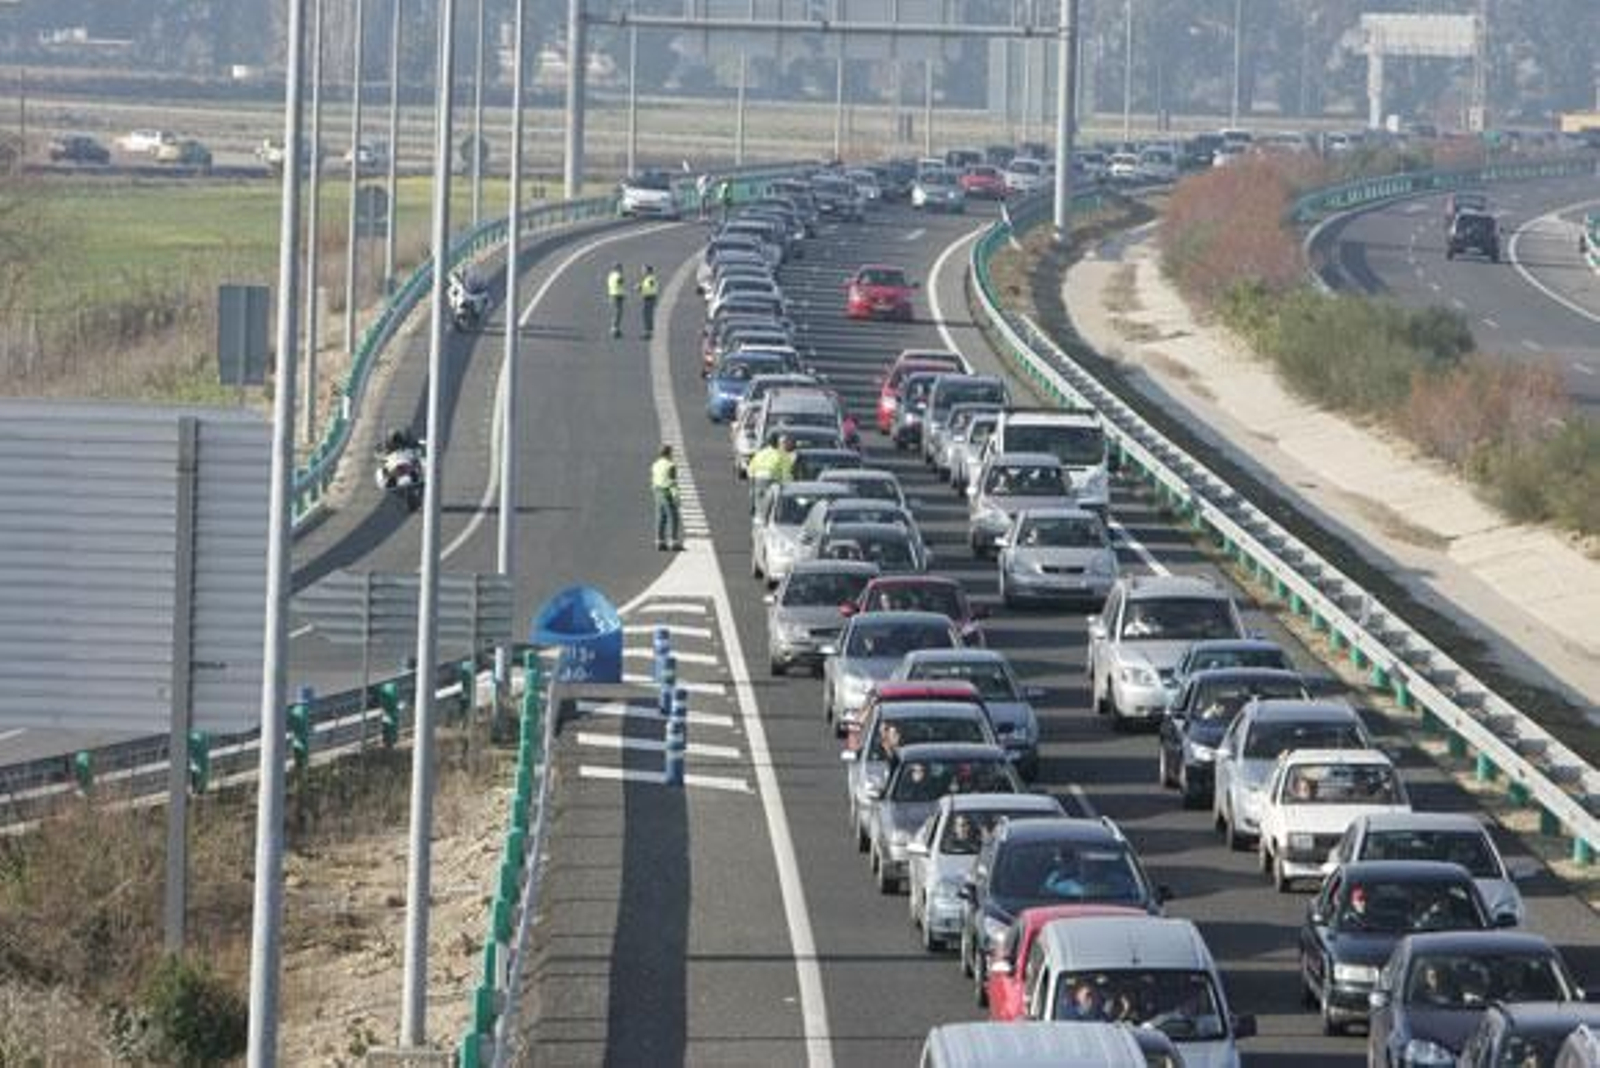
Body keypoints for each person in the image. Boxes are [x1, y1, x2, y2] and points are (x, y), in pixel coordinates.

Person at [651, 444, 683, 551]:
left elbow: (654, 478)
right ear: (669, 453)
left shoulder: (655, 464)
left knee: (661, 517)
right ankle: (673, 542)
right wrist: (676, 496)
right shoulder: (671, 465)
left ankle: (660, 541)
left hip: (657, 491)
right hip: (667, 492)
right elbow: (672, 482)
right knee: (673, 517)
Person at [638, 265, 660, 339]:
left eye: (644, 270)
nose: (642, 272)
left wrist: (640, 288)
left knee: (647, 315)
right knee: (647, 315)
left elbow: (650, 288)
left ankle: (648, 333)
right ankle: (648, 332)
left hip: (649, 298)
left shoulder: (650, 279)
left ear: (648, 271)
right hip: (648, 298)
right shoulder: (648, 279)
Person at [606, 263, 627, 339]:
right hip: (617, 296)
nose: (622, 269)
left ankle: (615, 328)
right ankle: (615, 329)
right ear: (618, 268)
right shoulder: (618, 275)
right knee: (618, 313)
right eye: (621, 268)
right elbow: (620, 282)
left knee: (616, 312)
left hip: (612, 294)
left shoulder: (610, 275)